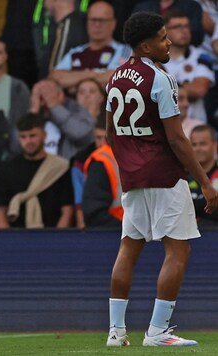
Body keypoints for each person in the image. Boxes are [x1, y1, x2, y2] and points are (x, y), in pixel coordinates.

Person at [105, 12, 218, 347]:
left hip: (133, 176)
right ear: (146, 44)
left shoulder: (114, 77)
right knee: (177, 250)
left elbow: (111, 133)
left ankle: (115, 331)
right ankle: (157, 331)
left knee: (128, 248)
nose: (168, 42)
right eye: (163, 37)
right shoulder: (161, 77)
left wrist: (130, 162)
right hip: (166, 176)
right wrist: (206, 184)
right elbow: (177, 139)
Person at [0, 113, 74, 229]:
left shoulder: (60, 167)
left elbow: (67, 211)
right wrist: (9, 242)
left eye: (33, 136)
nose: (28, 141)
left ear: (44, 135)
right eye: (23, 137)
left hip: (52, 237)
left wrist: (57, 240)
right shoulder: (7, 169)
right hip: (16, 238)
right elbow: (0, 210)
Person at [50, 1, 131, 91]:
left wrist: (74, 81)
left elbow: (114, 79)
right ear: (87, 22)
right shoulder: (75, 52)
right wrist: (94, 74)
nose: (97, 25)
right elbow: (56, 77)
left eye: (102, 20)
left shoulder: (125, 51)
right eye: (93, 20)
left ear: (113, 24)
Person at [162, 9, 214, 123]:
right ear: (164, 31)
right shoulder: (154, 59)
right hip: (165, 126)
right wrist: (184, 87)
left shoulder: (202, 56)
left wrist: (163, 89)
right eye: (177, 27)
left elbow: (199, 90)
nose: (184, 31)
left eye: (186, 26)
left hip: (195, 128)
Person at [187, 125, 218, 227]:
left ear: (215, 145)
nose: (198, 148)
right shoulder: (181, 175)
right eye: (194, 144)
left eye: (203, 144)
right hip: (189, 234)